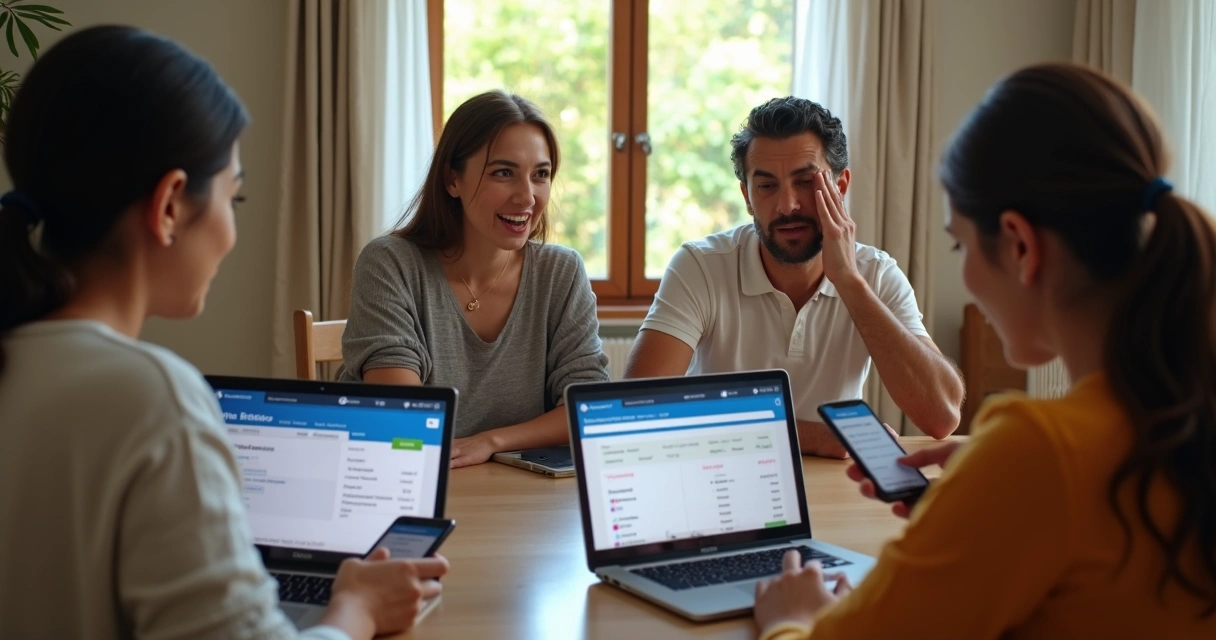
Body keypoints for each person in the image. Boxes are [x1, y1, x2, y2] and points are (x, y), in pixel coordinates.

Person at [0, 26, 447, 640]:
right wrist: (356, 611)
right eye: (233, 199)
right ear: (170, 206)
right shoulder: (152, 400)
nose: (232, 235)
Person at [752, 62, 1216, 639]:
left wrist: (788, 621)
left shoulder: (1038, 452)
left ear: (1020, 246)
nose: (966, 276)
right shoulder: (1177, 412)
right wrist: (986, 475)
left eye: (959, 243)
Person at [624, 96, 963, 457]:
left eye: (805, 181)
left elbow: (942, 416)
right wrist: (815, 437)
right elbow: (639, 408)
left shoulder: (875, 274)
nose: (787, 206)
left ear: (841, 186)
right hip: (721, 475)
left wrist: (849, 281)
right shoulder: (702, 266)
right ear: (747, 196)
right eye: (767, 186)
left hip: (838, 494)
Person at [340, 90, 609, 468]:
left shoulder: (561, 273)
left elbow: (588, 409)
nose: (527, 197)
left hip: (516, 496)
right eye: (503, 173)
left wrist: (490, 442)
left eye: (541, 175)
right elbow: (407, 417)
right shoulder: (390, 263)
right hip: (398, 477)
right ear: (453, 179)